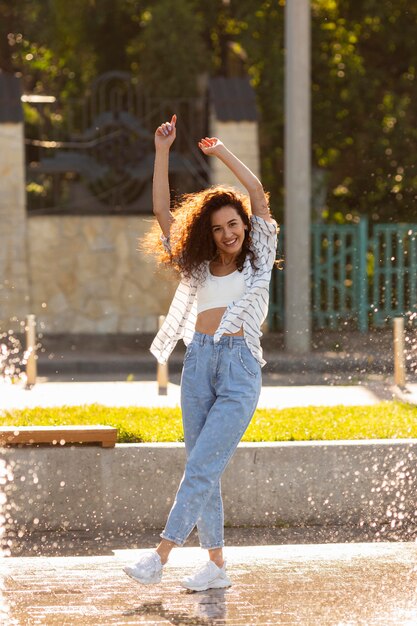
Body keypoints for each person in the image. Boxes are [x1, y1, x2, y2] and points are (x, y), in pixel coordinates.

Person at [123, 114, 278, 592]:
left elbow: (256, 195)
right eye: (217, 228)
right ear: (206, 234)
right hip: (198, 365)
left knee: (204, 465)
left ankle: (160, 556)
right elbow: (162, 215)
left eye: (233, 225)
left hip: (238, 369)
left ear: (245, 228)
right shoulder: (199, 269)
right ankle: (215, 565)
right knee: (201, 468)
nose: (228, 233)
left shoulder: (257, 261)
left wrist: (223, 154)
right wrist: (162, 151)